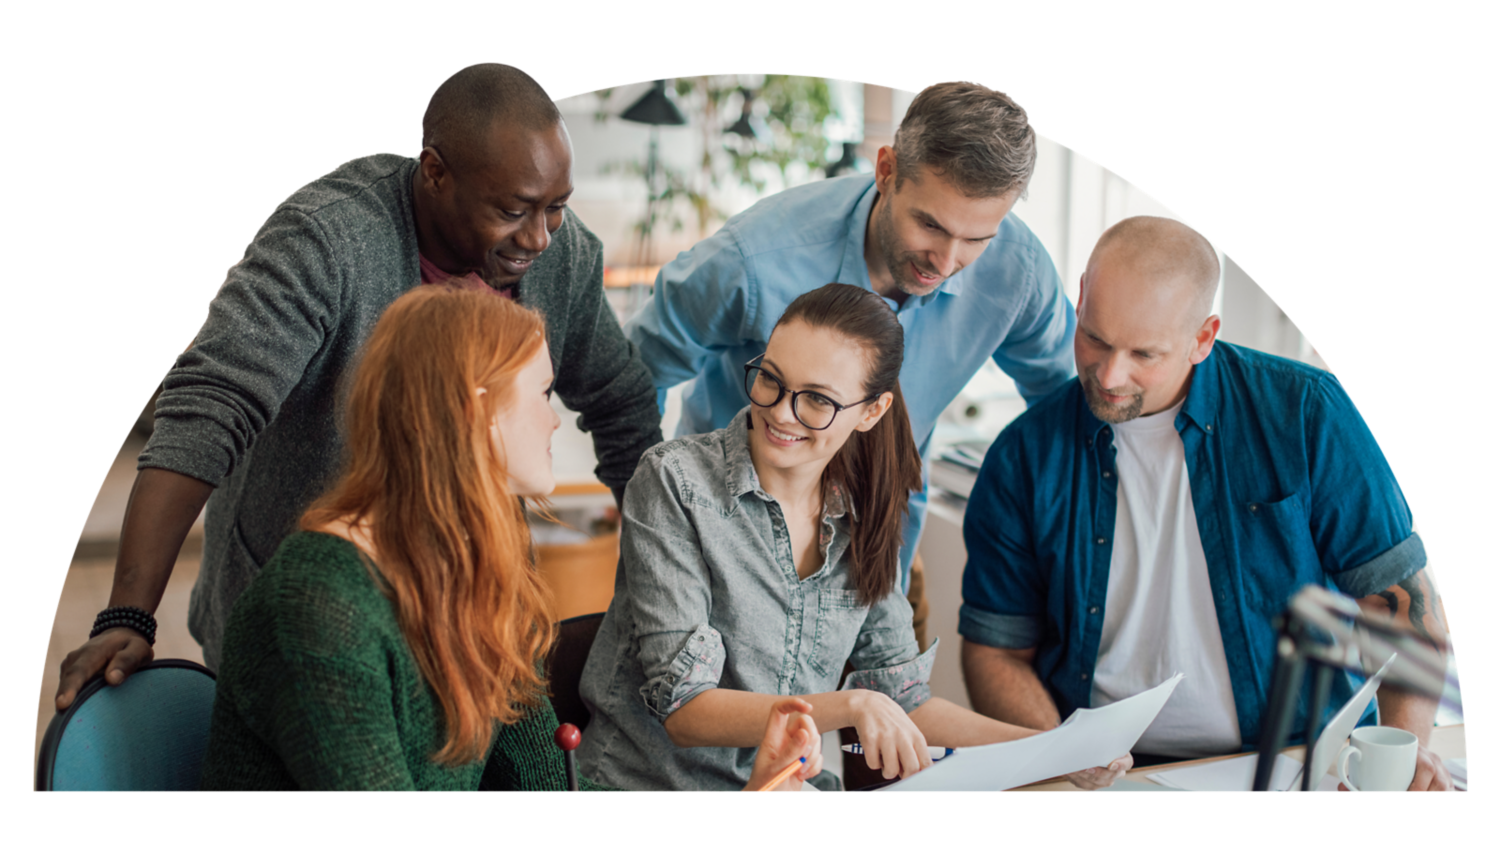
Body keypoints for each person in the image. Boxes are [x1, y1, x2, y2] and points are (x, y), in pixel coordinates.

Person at [55, 63, 663, 708]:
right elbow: (210, 409)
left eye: (556, 209)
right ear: (434, 172)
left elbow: (622, 408)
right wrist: (129, 614)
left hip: (467, 610)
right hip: (307, 613)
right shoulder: (328, 238)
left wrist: (668, 591)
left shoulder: (560, 259)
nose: (539, 237)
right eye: (512, 211)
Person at [198, 286, 820, 792]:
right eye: (543, 393)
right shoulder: (319, 606)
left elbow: (551, 793)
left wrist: (744, 804)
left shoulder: (480, 561)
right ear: (477, 411)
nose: (555, 418)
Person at [958, 216, 1454, 791]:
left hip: (1301, 764)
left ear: (1204, 336)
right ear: (1082, 300)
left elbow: (1400, 605)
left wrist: (1405, 749)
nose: (1109, 373)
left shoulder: (1305, 413)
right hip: (1107, 776)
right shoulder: (1024, 454)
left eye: (1144, 353)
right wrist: (1062, 764)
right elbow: (996, 652)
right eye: (1094, 338)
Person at [579, 284, 1128, 792]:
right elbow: (686, 710)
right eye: (771, 378)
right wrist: (852, 704)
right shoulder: (673, 481)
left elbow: (904, 702)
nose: (779, 412)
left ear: (872, 411)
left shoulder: (865, 514)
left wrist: (1056, 751)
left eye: (817, 399)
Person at [624, 80, 1077, 649]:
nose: (947, 260)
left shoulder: (1018, 270)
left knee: (885, 730)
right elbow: (634, 374)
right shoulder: (755, 258)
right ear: (886, 170)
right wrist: (651, 517)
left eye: (976, 239)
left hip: (884, 557)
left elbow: (1065, 403)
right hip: (726, 561)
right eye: (931, 225)